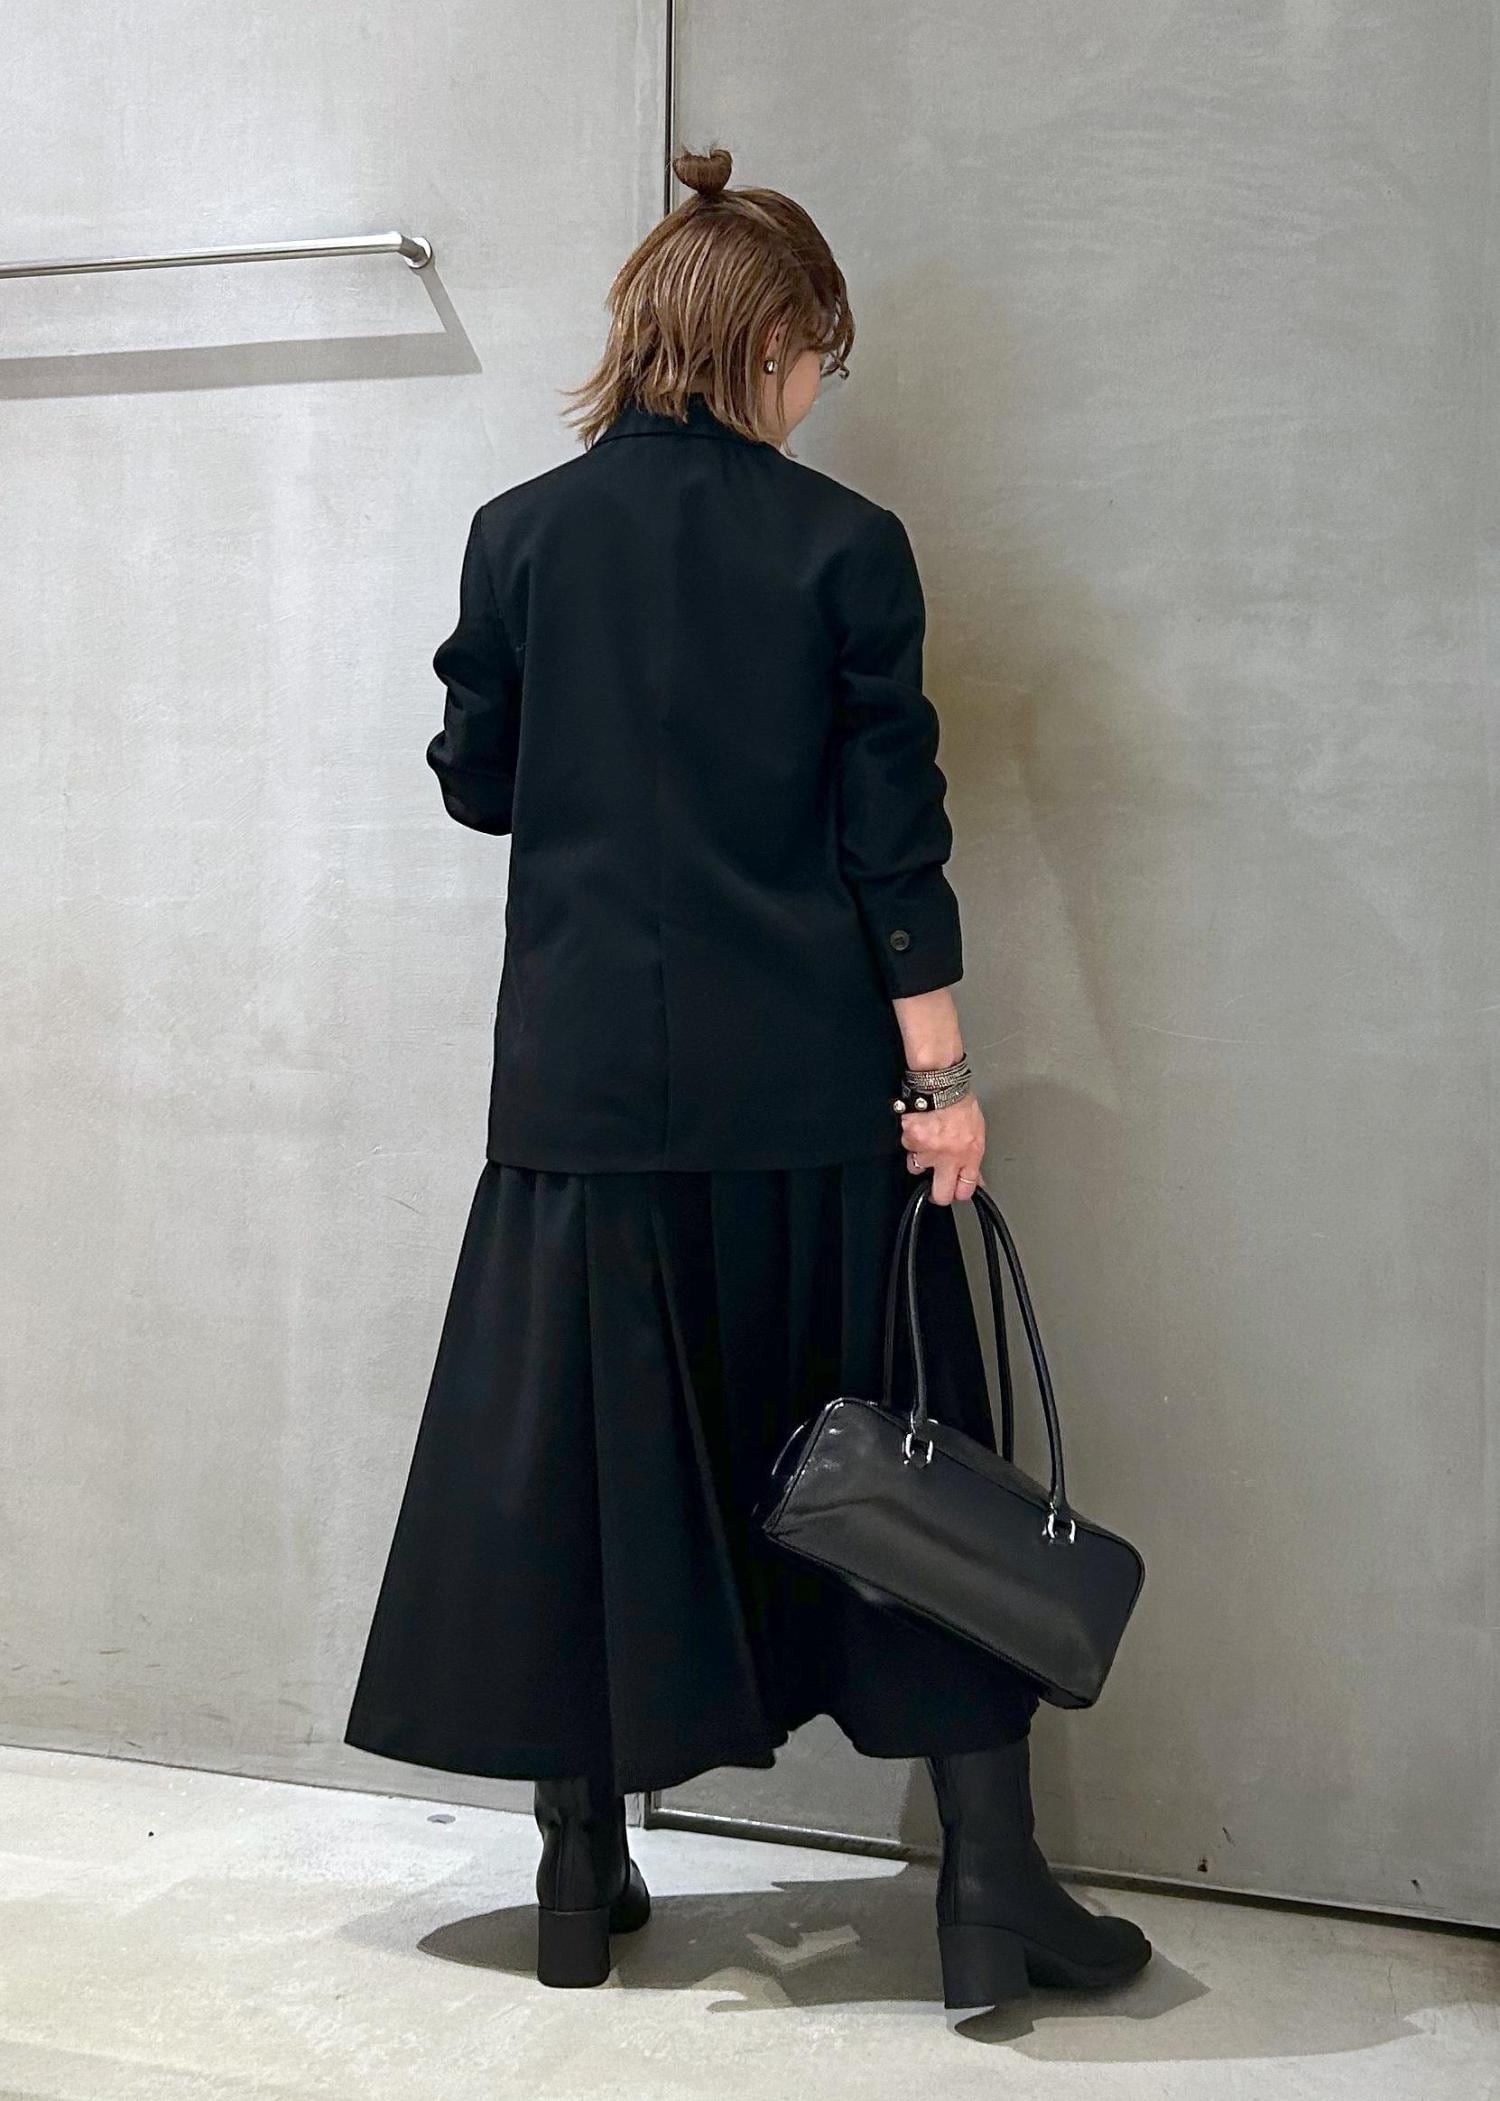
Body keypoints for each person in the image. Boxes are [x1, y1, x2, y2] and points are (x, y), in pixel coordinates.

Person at [343, 142, 1150, 2012]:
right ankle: (991, 1885)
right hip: (805, 1100)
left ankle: (576, 1871)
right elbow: (895, 840)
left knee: (581, 1468)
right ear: (769, 340)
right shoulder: (846, 548)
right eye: (817, 358)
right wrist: (941, 1080)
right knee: (914, 1454)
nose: (814, 392)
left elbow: (476, 780)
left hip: (581, 1105)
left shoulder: (518, 533)